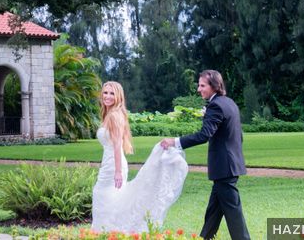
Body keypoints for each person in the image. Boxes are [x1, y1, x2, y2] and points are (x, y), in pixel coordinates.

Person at [161, 70, 251, 240]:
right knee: (213, 213)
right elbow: (237, 136)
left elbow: (204, 135)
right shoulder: (229, 102)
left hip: (225, 168)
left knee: (234, 214)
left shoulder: (215, 106)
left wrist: (175, 141)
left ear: (214, 86)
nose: (198, 89)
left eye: (202, 85)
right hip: (229, 166)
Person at [92, 81, 188, 233]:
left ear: (118, 97)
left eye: (112, 93)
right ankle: (110, 231)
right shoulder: (109, 114)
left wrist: (117, 171)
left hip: (113, 165)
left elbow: (117, 145)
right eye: (105, 92)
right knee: (111, 200)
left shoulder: (114, 115)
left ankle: (106, 231)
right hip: (110, 162)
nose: (108, 96)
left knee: (102, 196)